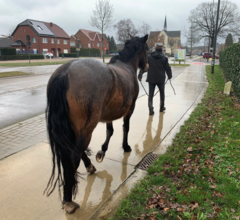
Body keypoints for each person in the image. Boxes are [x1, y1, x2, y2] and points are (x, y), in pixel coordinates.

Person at [138, 44, 172, 115]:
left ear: (155, 50)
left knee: (150, 94)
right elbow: (167, 68)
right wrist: (169, 76)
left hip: (151, 78)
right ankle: (161, 107)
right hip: (161, 79)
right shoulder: (164, 58)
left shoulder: (149, 58)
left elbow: (145, 67)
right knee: (162, 94)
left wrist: (140, 75)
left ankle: (151, 109)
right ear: (161, 50)